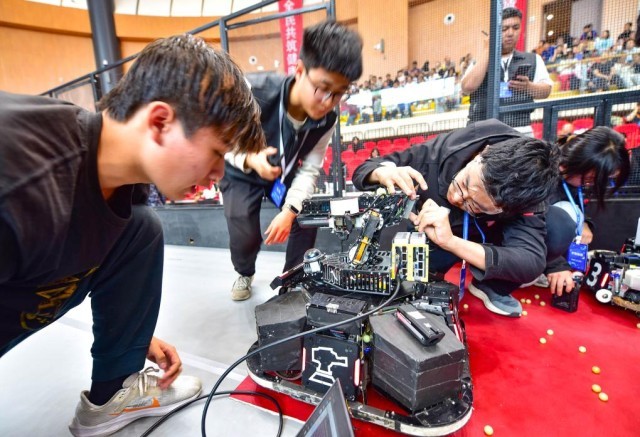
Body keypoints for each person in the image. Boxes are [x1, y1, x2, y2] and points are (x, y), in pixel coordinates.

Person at [0, 35, 264, 436]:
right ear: (160, 122)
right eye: (216, 153)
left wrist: (134, 338)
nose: (217, 175)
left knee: (140, 230)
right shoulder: (22, 181)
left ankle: (111, 394)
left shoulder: (120, 177)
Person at [352, 119, 559, 318]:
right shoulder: (443, 151)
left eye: (475, 205)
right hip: (427, 230)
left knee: (560, 225)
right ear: (481, 154)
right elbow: (366, 168)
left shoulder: (527, 192)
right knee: (401, 275)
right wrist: (382, 172)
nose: (457, 197)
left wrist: (452, 242)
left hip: (472, 238)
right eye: (464, 182)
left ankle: (491, 287)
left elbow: (530, 261)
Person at [220, 20, 363, 301]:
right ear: (299, 71)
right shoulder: (254, 91)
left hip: (279, 173)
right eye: (322, 88)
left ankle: (293, 280)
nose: (328, 101)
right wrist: (250, 158)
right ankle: (244, 272)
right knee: (244, 231)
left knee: (304, 214)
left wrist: (290, 210)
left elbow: (310, 168)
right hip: (240, 168)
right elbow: (221, 140)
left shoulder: (328, 120)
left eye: (338, 93)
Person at [537, 127, 630, 295]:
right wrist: (555, 265)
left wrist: (585, 223)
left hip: (546, 247)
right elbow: (528, 222)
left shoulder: (572, 180)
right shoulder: (540, 174)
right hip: (516, 241)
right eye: (590, 179)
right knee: (565, 212)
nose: (591, 184)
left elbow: (575, 205)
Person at [461, 7, 552, 133]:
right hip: (483, 129)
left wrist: (528, 87)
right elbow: (467, 87)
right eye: (504, 29)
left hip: (519, 128)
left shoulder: (533, 59)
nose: (510, 33)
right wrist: (488, 49)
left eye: (515, 28)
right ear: (494, 32)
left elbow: (546, 91)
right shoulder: (479, 62)